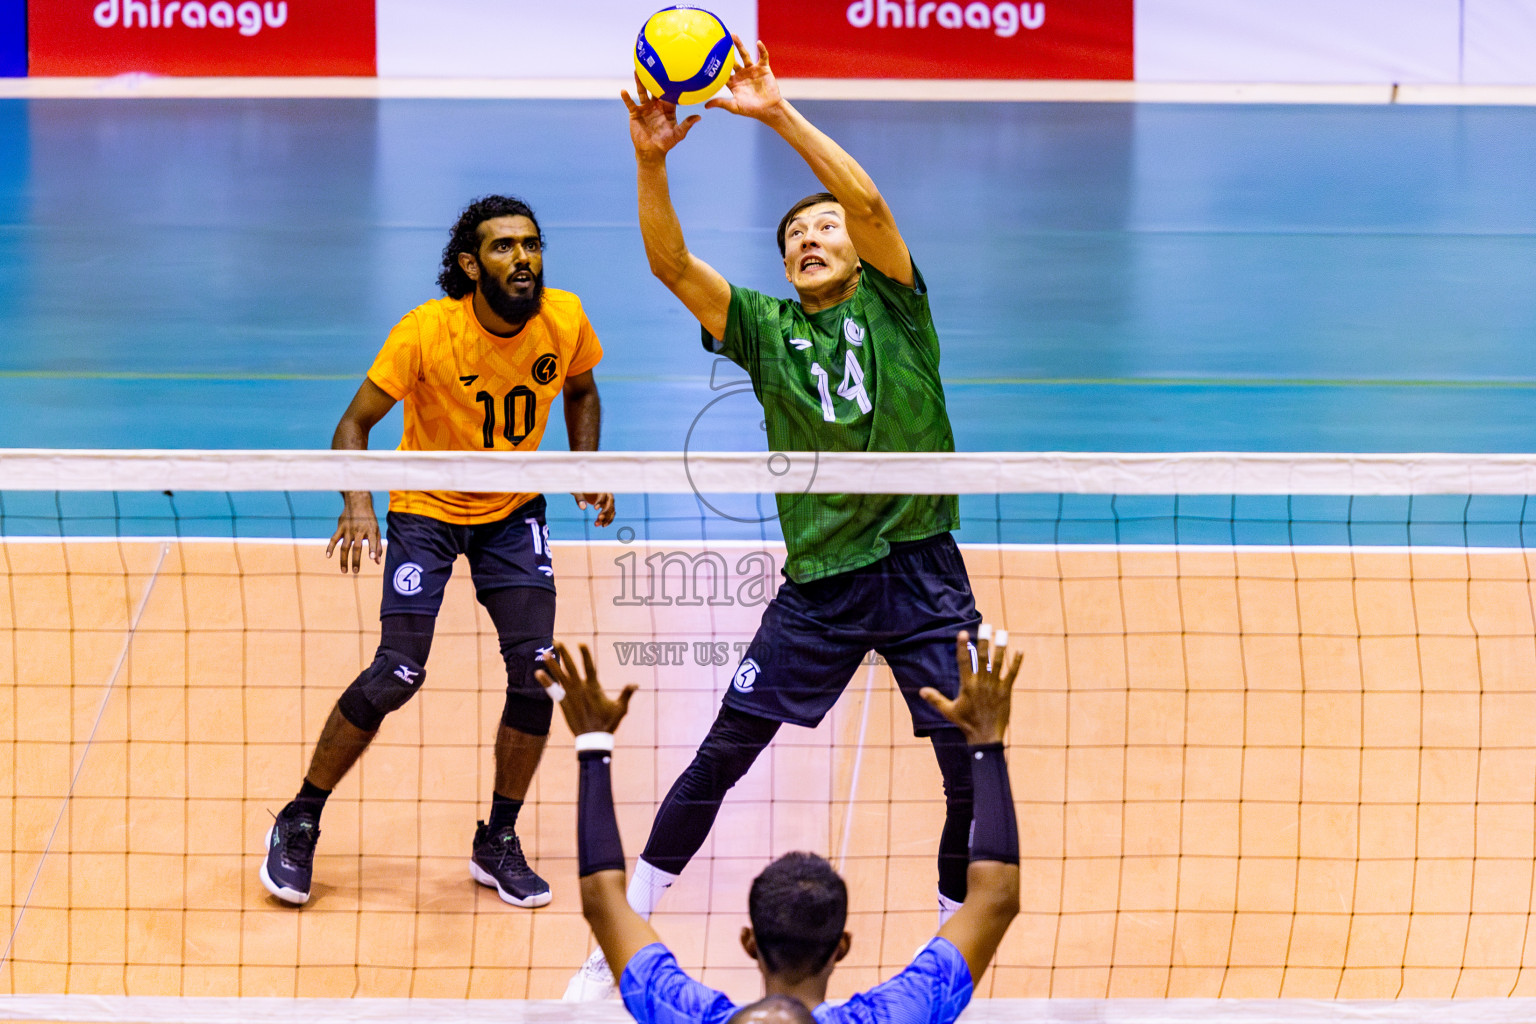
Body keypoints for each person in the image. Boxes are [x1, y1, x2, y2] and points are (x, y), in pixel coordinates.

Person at [567, 36, 982, 998]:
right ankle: (617, 940)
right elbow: (671, 264)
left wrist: (777, 112)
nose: (810, 238)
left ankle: (954, 948)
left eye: (824, 227)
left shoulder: (898, 305)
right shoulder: (764, 328)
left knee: (967, 763)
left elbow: (872, 205)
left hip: (921, 565)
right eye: (794, 234)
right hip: (821, 584)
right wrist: (650, 156)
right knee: (721, 754)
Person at [259, 194, 615, 909]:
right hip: (425, 507)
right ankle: (299, 816)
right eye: (505, 247)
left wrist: (587, 466)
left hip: (513, 511)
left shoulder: (565, 319)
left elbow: (581, 389)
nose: (524, 258)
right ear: (468, 263)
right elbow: (355, 423)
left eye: (532, 244)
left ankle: (498, 839)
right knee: (397, 670)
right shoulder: (427, 331)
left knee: (536, 673)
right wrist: (359, 502)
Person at [537, 628, 1021, 1023]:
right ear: (842, 947)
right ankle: (947, 936)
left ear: (749, 942)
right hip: (829, 581)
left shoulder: (684, 1014)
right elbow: (996, 897)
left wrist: (593, 743)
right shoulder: (903, 1013)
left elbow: (602, 899)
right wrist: (988, 742)